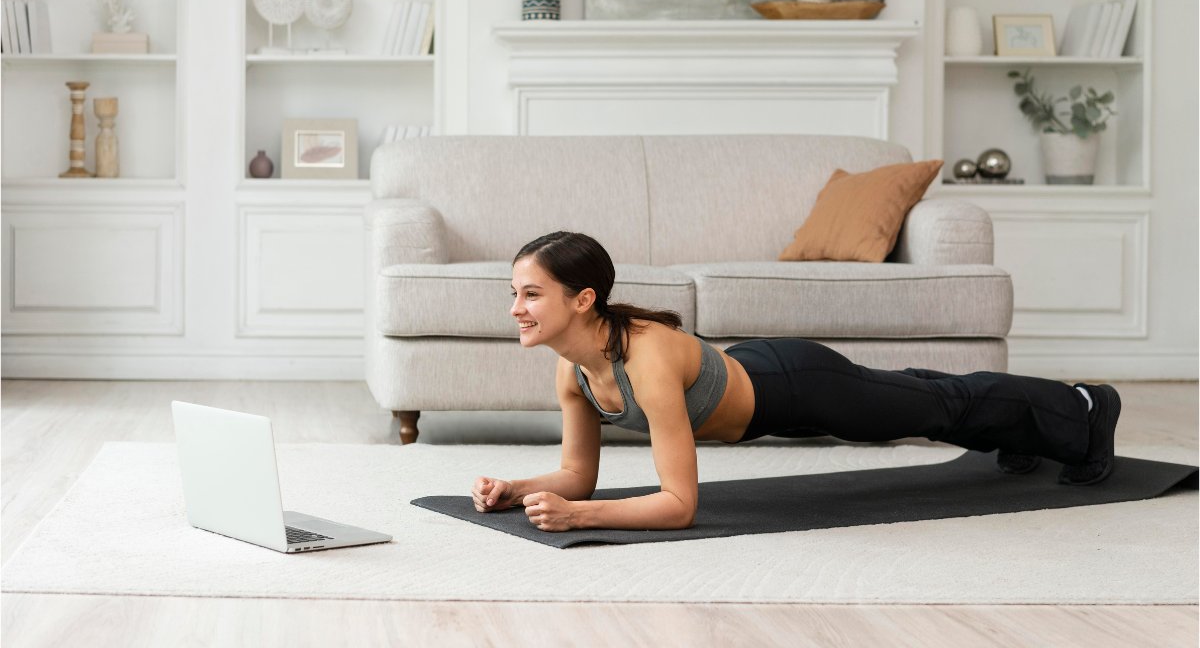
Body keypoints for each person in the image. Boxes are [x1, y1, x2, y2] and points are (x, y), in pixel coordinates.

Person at [472, 231, 1122, 533]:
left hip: (798, 383)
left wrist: (580, 517)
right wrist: (517, 490)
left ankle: (1086, 408)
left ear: (583, 299)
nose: (516, 308)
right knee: (920, 396)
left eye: (531, 293)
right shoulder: (574, 370)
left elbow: (679, 504)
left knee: (932, 407)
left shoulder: (644, 358)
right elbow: (574, 475)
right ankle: (1021, 430)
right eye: (514, 293)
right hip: (758, 379)